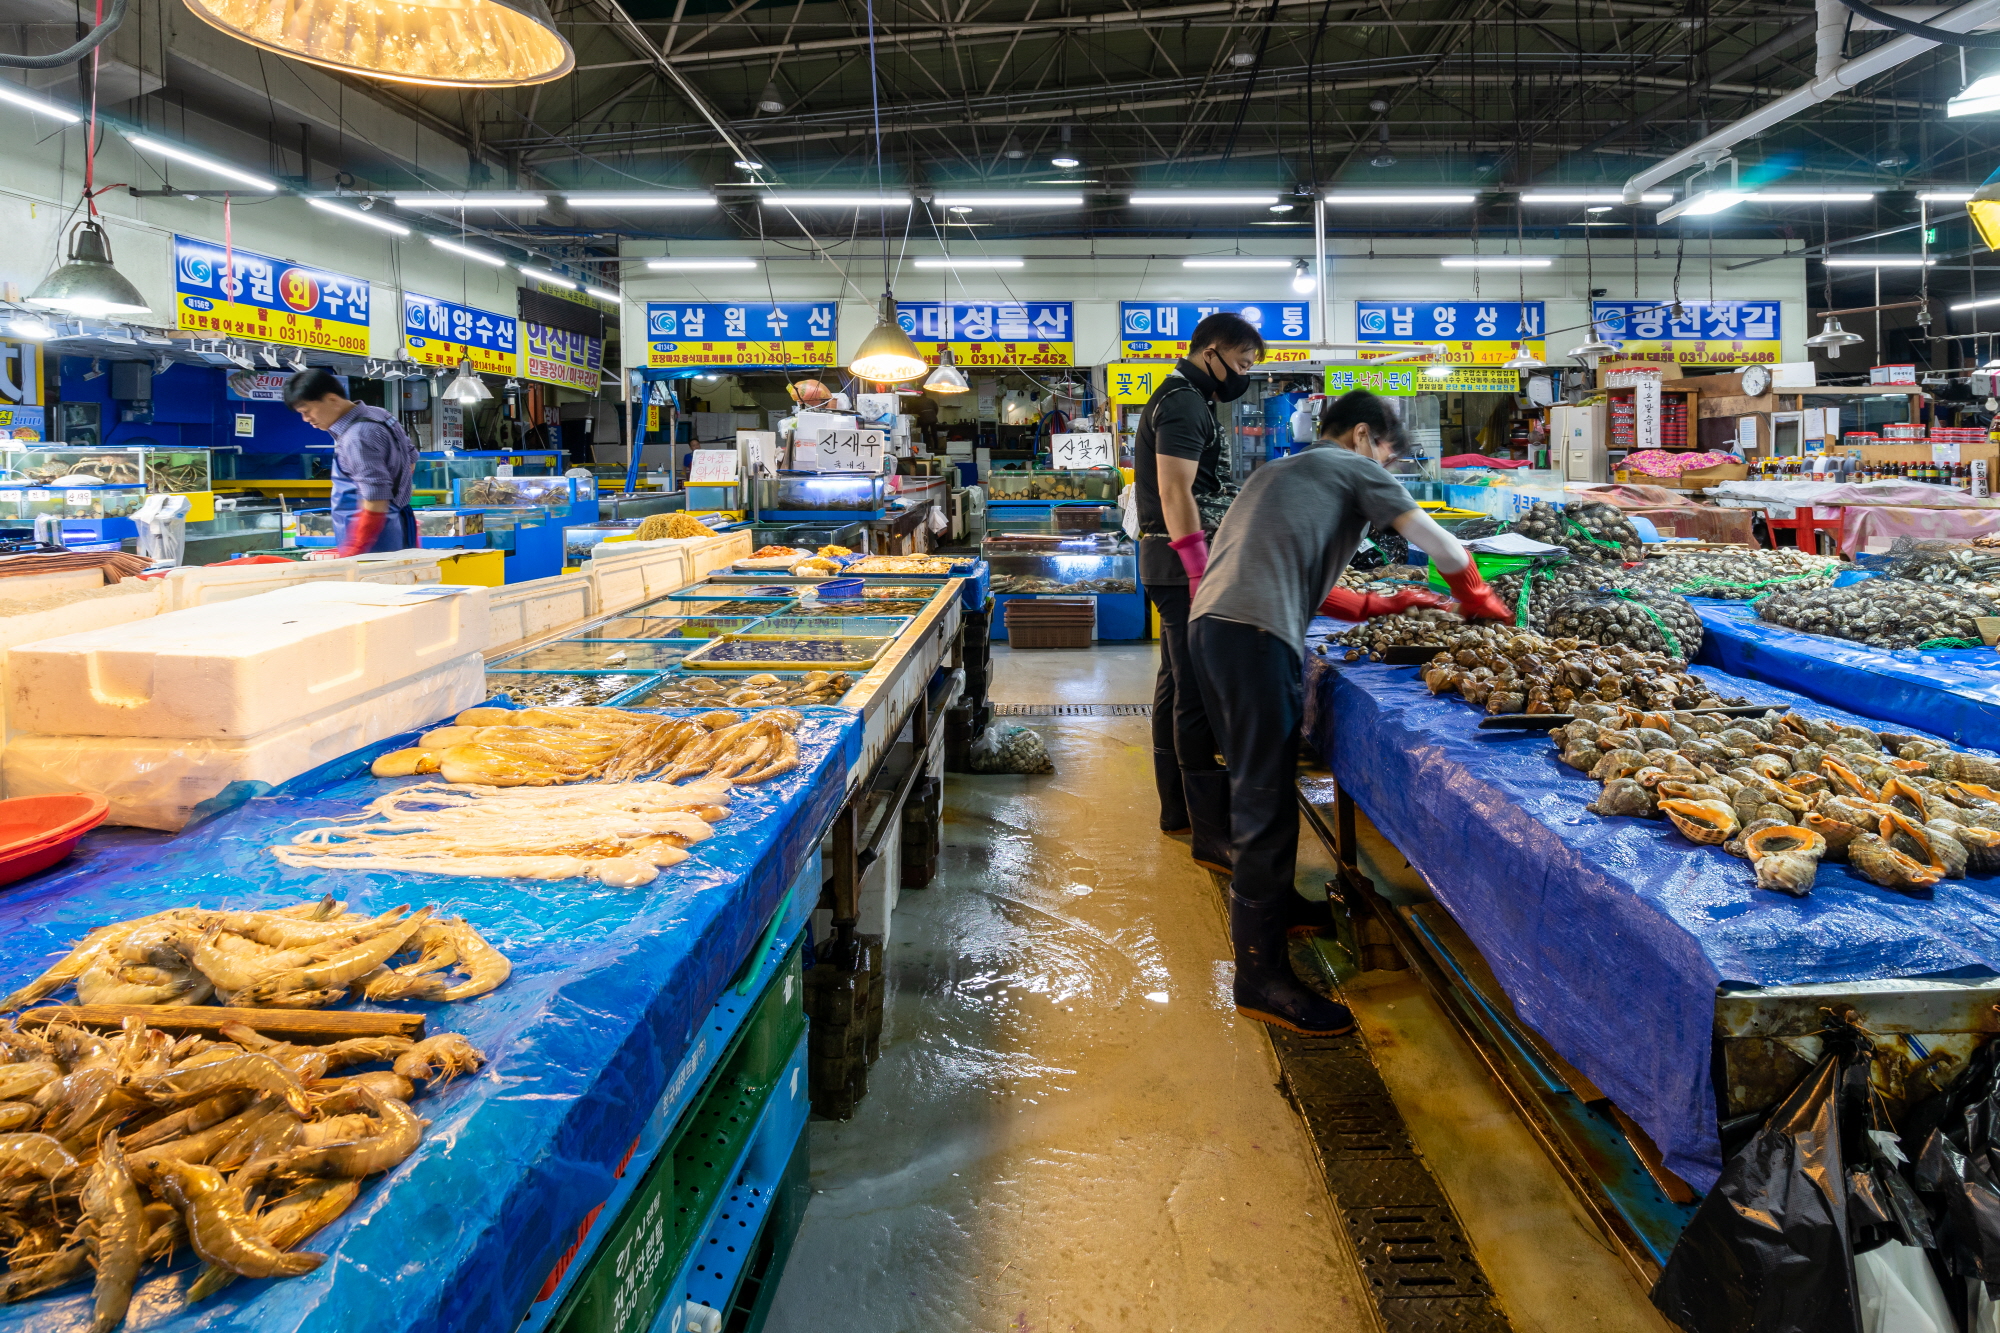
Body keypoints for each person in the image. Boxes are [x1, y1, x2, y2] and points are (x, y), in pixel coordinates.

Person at [1187, 389, 1511, 1036]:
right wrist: (1476, 596)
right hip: (1255, 638)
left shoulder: (1278, 472)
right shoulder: (1354, 467)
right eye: (1387, 455)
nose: (1386, 469)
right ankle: (1260, 979)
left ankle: (1281, 910)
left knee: (1260, 786)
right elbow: (1444, 546)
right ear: (1364, 436)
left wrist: (1373, 606)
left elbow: (1283, 567)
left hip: (1214, 630)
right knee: (1265, 802)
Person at [1132, 311, 1266, 872]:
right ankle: (1212, 835)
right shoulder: (1183, 400)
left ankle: (1179, 811)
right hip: (1181, 561)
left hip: (1171, 560)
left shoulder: (1190, 398)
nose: (1243, 376)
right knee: (1196, 690)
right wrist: (1197, 567)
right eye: (1240, 363)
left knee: (1176, 679)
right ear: (1210, 352)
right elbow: (1174, 490)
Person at [284, 369, 418, 557]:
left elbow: (376, 499)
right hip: (396, 526)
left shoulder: (356, 437)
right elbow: (411, 459)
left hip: (375, 542)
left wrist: (356, 547)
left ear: (332, 399)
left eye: (307, 411)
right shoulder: (379, 414)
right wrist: (398, 499)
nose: (306, 419)